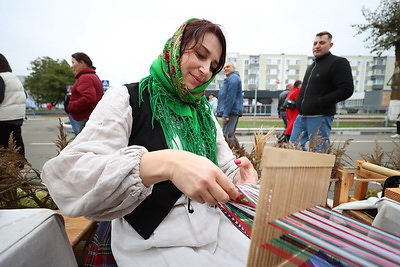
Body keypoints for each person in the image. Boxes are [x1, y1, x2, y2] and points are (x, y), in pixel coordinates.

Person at [41, 18, 258, 266]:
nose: (206, 70)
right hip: (153, 243)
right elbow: (70, 177)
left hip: (213, 231)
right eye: (200, 54)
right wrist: (165, 163)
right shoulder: (127, 98)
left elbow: (225, 167)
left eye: (214, 65)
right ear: (175, 47)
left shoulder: (204, 112)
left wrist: (240, 178)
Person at [289, 31, 354, 152]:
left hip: (320, 116)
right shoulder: (312, 66)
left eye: (322, 43)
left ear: (330, 45)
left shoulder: (338, 63)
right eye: (315, 43)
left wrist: (321, 101)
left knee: (318, 154)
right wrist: (299, 103)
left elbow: (346, 90)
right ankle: (302, 170)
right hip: (302, 116)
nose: (317, 46)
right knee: (293, 148)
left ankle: (318, 171)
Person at [66, 52, 103, 134]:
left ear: (82, 63)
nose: (71, 66)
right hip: (90, 117)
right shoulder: (93, 76)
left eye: (73, 62)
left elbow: (89, 98)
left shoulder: (85, 78)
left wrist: (70, 106)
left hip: (84, 119)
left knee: (81, 144)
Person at [0, 53, 26, 157]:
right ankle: (18, 167)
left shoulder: (0, 77)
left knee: (3, 151)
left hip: (3, 118)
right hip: (16, 117)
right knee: (15, 145)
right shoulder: (13, 77)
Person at [216, 62, 243, 144]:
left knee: (227, 137)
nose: (225, 69)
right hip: (231, 111)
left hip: (231, 111)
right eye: (224, 68)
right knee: (229, 136)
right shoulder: (231, 78)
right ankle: (232, 154)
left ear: (234, 68)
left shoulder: (233, 78)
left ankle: (230, 155)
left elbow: (230, 97)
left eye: (228, 67)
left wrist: (226, 114)